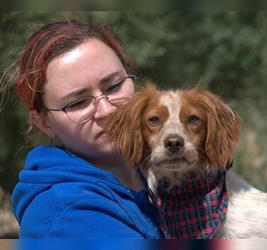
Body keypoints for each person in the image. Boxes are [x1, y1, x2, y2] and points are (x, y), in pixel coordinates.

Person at [9, 20, 163, 238]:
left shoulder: (162, 170)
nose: (107, 111)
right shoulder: (68, 212)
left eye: (114, 86)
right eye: (77, 103)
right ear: (44, 122)